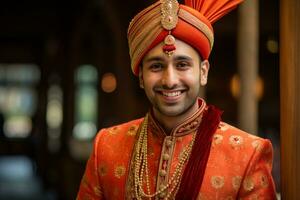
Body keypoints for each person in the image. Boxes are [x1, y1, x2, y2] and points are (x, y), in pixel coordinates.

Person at [77, 0, 277, 199]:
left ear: (203, 72)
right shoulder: (106, 147)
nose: (170, 80)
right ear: (140, 77)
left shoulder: (247, 154)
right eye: (156, 66)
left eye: (182, 65)